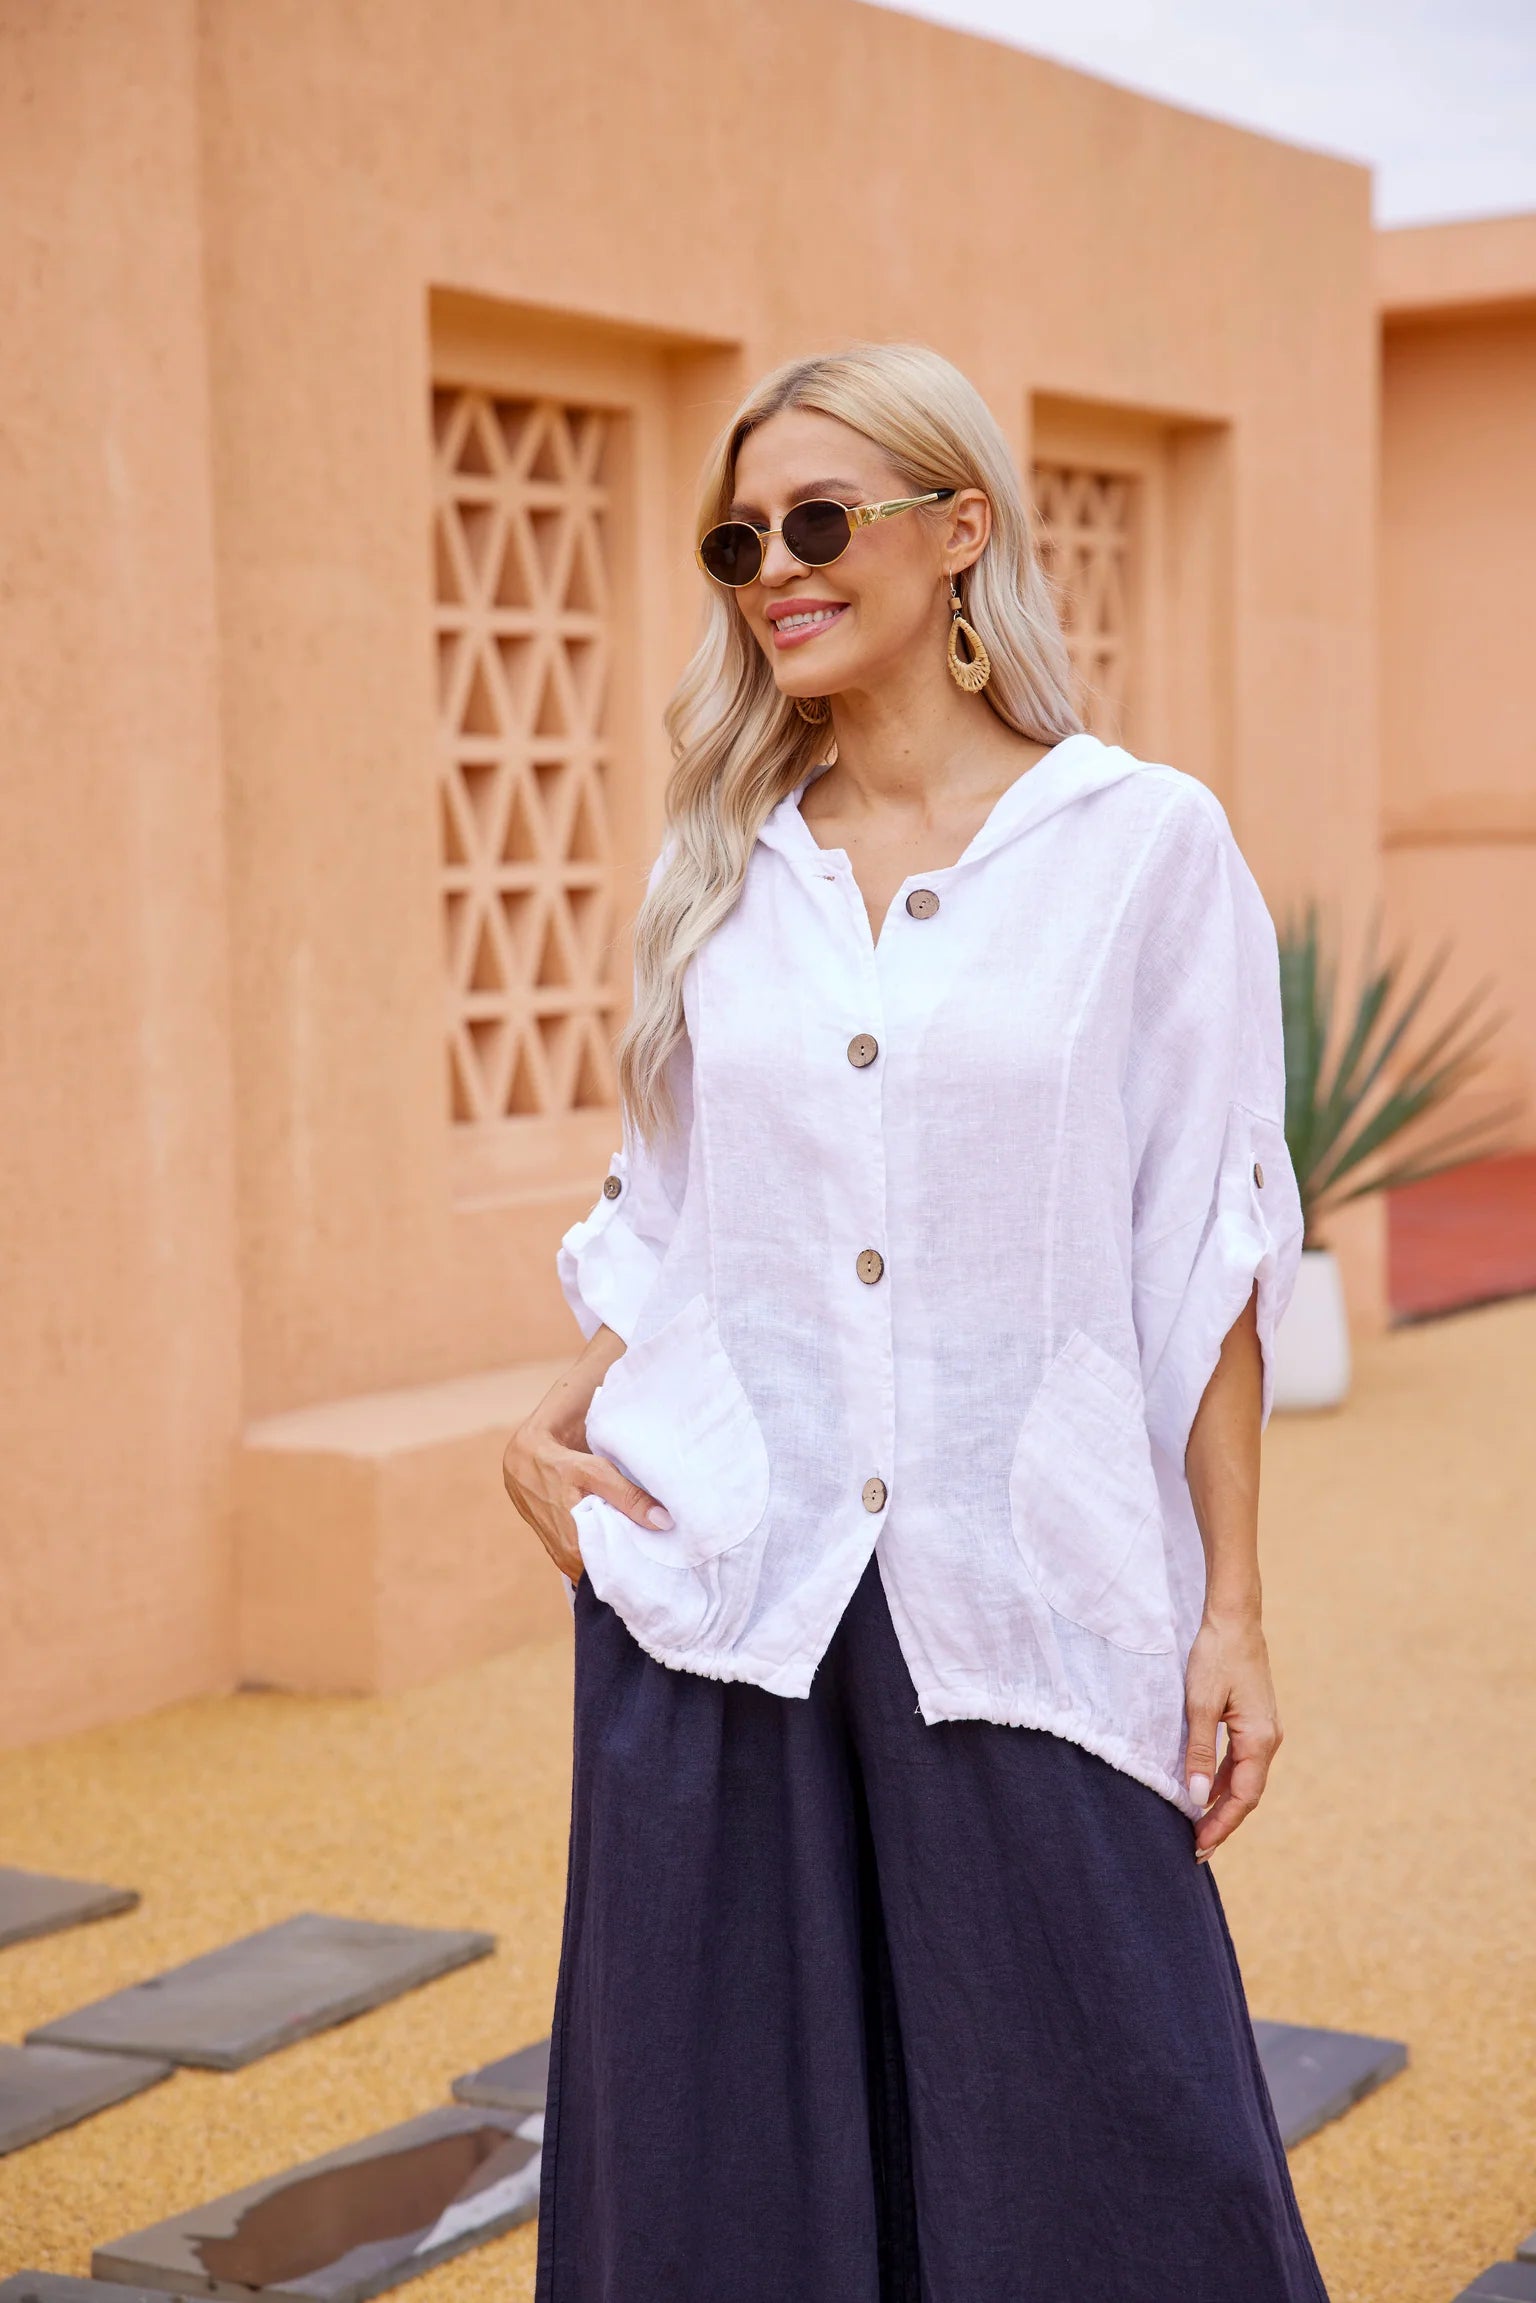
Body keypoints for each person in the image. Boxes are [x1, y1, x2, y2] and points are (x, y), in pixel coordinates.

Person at [503, 342, 1324, 2303]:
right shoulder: (719, 872)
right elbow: (686, 1226)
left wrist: (1229, 1609)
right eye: (740, 541)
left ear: (962, 531)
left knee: (1115, 2136)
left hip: (1027, 1586)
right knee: (720, 2177)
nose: (776, 571)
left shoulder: (1139, 848)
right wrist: (550, 1424)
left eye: (819, 520)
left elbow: (1201, 1246)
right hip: (729, 1593)